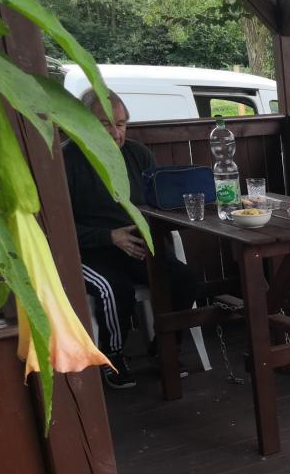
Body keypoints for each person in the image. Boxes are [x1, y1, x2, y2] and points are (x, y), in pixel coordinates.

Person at [63, 88, 199, 389]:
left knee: (184, 279)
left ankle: (164, 347)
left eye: (121, 124)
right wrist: (109, 236)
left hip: (137, 245)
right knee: (112, 289)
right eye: (105, 124)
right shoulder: (65, 160)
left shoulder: (139, 155)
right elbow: (57, 226)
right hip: (89, 250)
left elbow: (158, 203)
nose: (115, 133)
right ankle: (112, 356)